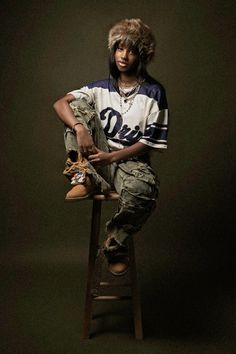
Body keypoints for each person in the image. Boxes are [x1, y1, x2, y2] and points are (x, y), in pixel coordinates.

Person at [53, 18, 169, 276]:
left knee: (145, 190)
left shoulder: (154, 93)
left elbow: (148, 142)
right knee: (75, 109)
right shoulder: (99, 88)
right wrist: (80, 128)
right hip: (95, 160)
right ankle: (82, 176)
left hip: (130, 165)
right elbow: (60, 103)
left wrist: (112, 157)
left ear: (142, 54)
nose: (123, 55)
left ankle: (115, 243)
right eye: (119, 48)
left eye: (130, 49)